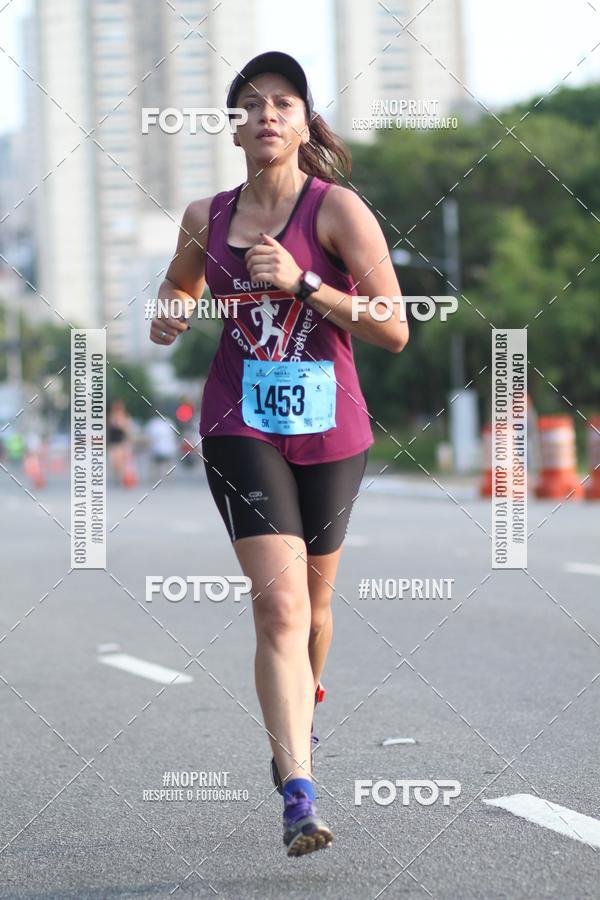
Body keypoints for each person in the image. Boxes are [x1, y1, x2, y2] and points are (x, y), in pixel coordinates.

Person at [150, 51, 409, 857]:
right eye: (252, 104)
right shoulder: (206, 215)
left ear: (303, 125)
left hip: (332, 430)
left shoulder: (337, 211)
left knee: (317, 613)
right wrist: (168, 316)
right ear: (234, 127)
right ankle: (299, 788)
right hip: (240, 424)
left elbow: (394, 327)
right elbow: (179, 290)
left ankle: (299, 711)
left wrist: (303, 284)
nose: (267, 114)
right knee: (281, 608)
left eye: (283, 103)